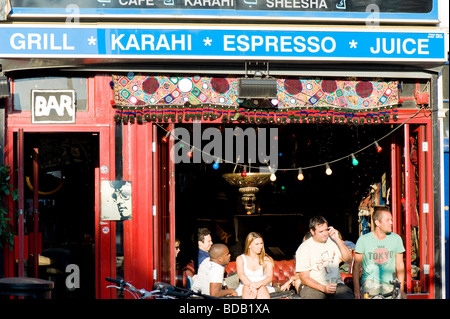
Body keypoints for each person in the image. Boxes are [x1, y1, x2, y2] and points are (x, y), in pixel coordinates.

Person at [352, 208, 406, 299]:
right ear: (377, 223)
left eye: (391, 220)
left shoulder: (396, 239)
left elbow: (400, 265)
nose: (391, 223)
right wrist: (356, 291)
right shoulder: (363, 240)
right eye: (387, 220)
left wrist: (402, 290)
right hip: (370, 283)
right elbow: (356, 267)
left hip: (391, 283)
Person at [296, 216, 354, 299]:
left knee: (346, 295)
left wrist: (338, 239)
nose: (325, 233)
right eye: (321, 231)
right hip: (314, 287)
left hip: (335, 284)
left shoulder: (333, 242)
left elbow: (348, 259)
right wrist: (323, 288)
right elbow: (304, 277)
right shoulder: (304, 248)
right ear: (312, 231)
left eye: (326, 230)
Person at [236, 232, 274, 299]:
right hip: (246, 285)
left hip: (263, 285)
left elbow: (269, 277)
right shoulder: (240, 259)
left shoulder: (267, 259)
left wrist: (257, 284)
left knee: (262, 288)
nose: (260, 246)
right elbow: (241, 275)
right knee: (247, 288)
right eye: (256, 244)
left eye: (261, 243)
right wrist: (251, 285)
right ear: (249, 245)